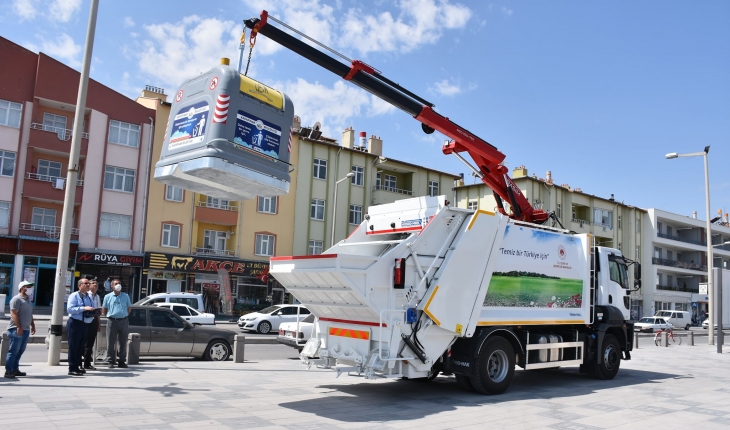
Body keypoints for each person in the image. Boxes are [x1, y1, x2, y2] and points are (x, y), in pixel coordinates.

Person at [4, 280, 36, 379]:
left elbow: (29, 314)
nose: (30, 288)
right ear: (22, 288)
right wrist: (18, 327)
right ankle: (8, 371)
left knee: (20, 351)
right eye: (28, 286)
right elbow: (14, 314)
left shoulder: (28, 300)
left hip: (26, 329)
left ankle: (15, 369)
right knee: (13, 351)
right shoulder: (16, 299)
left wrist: (33, 325)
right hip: (15, 329)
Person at [66, 279, 95, 376]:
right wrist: (83, 308)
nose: (88, 285)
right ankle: (72, 367)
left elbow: (91, 308)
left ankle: (78, 366)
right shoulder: (74, 295)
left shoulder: (89, 296)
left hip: (85, 324)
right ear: (79, 285)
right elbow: (70, 309)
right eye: (85, 283)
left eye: (88, 283)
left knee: (80, 347)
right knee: (73, 346)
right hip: (75, 323)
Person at [102, 279, 132, 368]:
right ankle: (110, 360)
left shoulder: (126, 296)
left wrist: (123, 315)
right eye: (116, 284)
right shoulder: (107, 296)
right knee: (110, 342)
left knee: (123, 342)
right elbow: (104, 309)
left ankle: (121, 361)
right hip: (112, 321)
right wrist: (110, 316)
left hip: (124, 321)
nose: (118, 285)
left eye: (119, 283)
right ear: (112, 287)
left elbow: (129, 308)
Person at [82, 278, 102, 370]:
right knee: (83, 343)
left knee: (91, 343)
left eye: (96, 283)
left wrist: (98, 324)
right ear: (89, 285)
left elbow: (98, 311)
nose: (95, 284)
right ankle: (80, 362)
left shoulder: (97, 296)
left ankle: (87, 363)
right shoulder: (86, 295)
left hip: (94, 320)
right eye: (93, 283)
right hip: (86, 320)